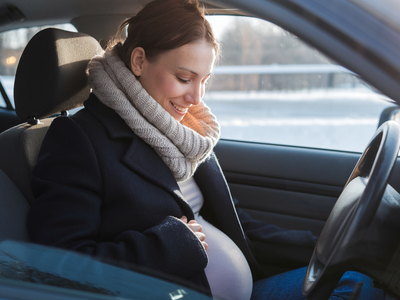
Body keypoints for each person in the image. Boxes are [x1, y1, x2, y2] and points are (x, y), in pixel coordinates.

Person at [27, 0, 384, 299]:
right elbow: (57, 268)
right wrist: (167, 246)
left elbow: (238, 227)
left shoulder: (185, 131)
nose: (196, 98)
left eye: (204, 80)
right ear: (138, 62)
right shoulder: (78, 139)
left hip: (243, 288)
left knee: (359, 279)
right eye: (184, 78)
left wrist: (328, 246)